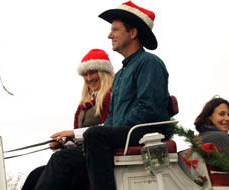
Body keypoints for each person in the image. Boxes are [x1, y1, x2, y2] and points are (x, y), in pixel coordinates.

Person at [81, 1, 171, 190]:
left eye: (115, 30)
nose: (109, 35)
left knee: (95, 135)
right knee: (62, 158)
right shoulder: (121, 74)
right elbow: (111, 116)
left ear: (133, 33)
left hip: (145, 132)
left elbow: (149, 107)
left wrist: (116, 128)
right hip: (127, 132)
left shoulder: (149, 63)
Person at [22, 49, 114, 190]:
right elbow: (80, 138)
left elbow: (109, 127)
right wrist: (64, 144)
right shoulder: (86, 102)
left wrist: (72, 134)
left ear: (103, 73)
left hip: (98, 153)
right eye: (85, 74)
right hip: (83, 150)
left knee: (59, 159)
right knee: (35, 174)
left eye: (93, 72)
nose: (89, 78)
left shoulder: (110, 95)